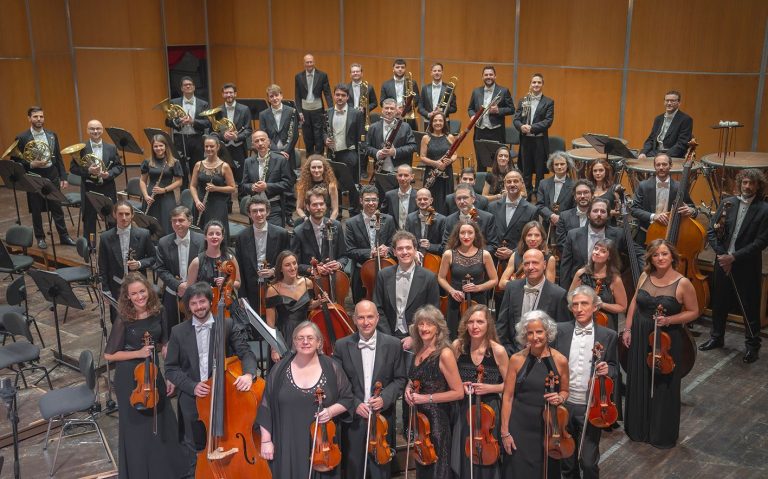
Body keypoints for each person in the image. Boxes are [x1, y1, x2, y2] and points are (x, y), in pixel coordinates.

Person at [163, 281, 257, 476]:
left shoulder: (227, 324)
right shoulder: (178, 332)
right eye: (194, 304)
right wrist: (192, 386)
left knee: (226, 444)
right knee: (196, 450)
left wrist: (249, 374)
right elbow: (171, 368)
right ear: (188, 306)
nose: (199, 307)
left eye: (202, 302)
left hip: (224, 398)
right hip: (193, 401)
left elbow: (246, 354)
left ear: (210, 301)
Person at [104, 272, 185, 478]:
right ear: (127, 297)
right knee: (137, 428)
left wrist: (169, 374)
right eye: (134, 294)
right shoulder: (124, 319)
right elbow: (109, 354)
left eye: (142, 291)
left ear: (148, 290)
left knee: (162, 419)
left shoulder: (160, 311)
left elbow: (165, 343)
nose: (140, 297)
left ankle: (166, 470)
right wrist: (138, 353)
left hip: (153, 371)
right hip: (129, 377)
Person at [623, 240, 698, 448]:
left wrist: (669, 320)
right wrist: (628, 329)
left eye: (664, 254)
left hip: (666, 337)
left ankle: (660, 433)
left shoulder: (683, 283)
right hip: (640, 332)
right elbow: (634, 304)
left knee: (664, 383)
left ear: (672, 256)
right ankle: (638, 428)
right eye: (656, 255)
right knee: (639, 377)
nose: (660, 258)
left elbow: (694, 311)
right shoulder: (645, 275)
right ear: (651, 258)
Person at [257, 321, 354, 478]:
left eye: (310, 337)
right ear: (294, 342)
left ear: (319, 342)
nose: (305, 342)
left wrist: (330, 411)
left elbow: (347, 398)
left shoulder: (331, 367)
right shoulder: (280, 369)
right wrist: (266, 441)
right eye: (300, 338)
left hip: (321, 446)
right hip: (287, 442)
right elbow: (265, 405)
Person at [333, 300, 407, 479]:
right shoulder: (342, 345)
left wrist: (385, 398)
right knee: (354, 470)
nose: (366, 322)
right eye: (361, 317)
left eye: (370, 317)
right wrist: (355, 404)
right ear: (354, 319)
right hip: (354, 419)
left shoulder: (393, 344)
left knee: (380, 471)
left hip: (382, 420)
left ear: (377, 318)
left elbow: (400, 379)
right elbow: (338, 382)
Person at [701, 169, 768, 363]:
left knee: (749, 306)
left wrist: (734, 258)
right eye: (745, 182)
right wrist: (722, 256)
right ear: (740, 183)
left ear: (758, 185)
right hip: (722, 261)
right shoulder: (727, 203)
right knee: (719, 301)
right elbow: (711, 231)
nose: (747, 186)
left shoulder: (764, 209)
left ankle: (752, 346)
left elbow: (761, 242)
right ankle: (716, 337)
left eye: (752, 183)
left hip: (746, 264)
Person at [555, 286, 618, 479]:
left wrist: (609, 370)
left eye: (584, 304)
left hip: (592, 406)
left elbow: (615, 368)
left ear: (594, 307)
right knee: (567, 460)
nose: (580, 308)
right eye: (575, 305)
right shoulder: (560, 331)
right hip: (564, 404)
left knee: (589, 462)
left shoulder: (608, 335)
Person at [500, 310, 569, 478]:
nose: (534, 337)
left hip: (548, 428)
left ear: (547, 332)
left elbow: (565, 391)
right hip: (519, 426)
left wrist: (560, 397)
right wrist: (505, 432)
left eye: (539, 331)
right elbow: (508, 397)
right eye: (529, 333)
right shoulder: (516, 359)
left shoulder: (560, 360)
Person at [404, 305, 464, 479]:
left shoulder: (444, 354)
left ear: (438, 328)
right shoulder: (418, 349)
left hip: (437, 422)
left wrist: (425, 398)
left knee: (438, 468)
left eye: (429, 324)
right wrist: (408, 388)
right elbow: (415, 379)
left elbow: (458, 392)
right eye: (420, 324)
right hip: (420, 420)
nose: (424, 328)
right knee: (423, 464)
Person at [451, 305, 509, 479]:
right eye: (470, 322)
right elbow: (449, 379)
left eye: (480, 322)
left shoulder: (498, 351)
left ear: (488, 325)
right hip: (464, 409)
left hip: (490, 411)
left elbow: (509, 385)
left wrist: (490, 388)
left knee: (487, 453)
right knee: (464, 452)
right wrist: (460, 386)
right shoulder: (458, 346)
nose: (475, 326)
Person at [12, 106, 75, 249]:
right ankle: (40, 238)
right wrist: (31, 163)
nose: (39, 119)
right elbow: (15, 160)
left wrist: (63, 176)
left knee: (57, 207)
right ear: (29, 118)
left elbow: (58, 157)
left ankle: (64, 236)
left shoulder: (52, 135)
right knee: (36, 209)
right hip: (33, 175)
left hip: (51, 174)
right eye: (35, 117)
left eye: (41, 116)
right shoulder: (22, 137)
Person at [373, 231, 440, 346]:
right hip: (388, 335)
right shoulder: (383, 275)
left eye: (408, 248)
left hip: (418, 338)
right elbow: (378, 308)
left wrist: (415, 337)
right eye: (400, 249)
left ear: (415, 250)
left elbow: (432, 312)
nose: (404, 252)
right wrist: (388, 337)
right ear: (394, 252)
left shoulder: (429, 277)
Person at [497, 249, 570, 353]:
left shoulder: (559, 294)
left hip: (545, 357)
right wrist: (508, 352)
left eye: (535, 262)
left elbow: (562, 333)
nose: (530, 267)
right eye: (526, 264)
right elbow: (502, 325)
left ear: (544, 265)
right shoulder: (511, 288)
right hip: (514, 354)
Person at [98, 200, 156, 323]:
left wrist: (139, 264)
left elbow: (153, 258)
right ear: (114, 215)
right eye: (120, 214)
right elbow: (102, 266)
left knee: (139, 318)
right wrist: (105, 289)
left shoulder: (144, 234)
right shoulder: (105, 237)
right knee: (118, 321)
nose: (124, 218)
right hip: (116, 286)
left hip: (138, 286)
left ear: (132, 215)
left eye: (127, 214)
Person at [438, 221, 498, 337]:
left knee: (478, 333)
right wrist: (452, 291)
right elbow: (441, 277)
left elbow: (494, 280)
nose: (466, 236)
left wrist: (478, 287)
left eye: (470, 233)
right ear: (457, 235)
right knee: (454, 335)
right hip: (456, 301)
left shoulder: (484, 254)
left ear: (475, 234)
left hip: (478, 300)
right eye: (462, 233)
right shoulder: (449, 254)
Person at [265, 250, 326, 363]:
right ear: (280, 269)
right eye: (287, 265)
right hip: (285, 335)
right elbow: (270, 324)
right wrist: (274, 347)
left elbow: (308, 306)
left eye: (294, 263)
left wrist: (318, 302)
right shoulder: (272, 290)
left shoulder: (307, 282)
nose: (292, 267)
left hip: (305, 331)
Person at [71, 119, 123, 246]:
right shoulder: (81, 148)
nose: (95, 131)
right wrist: (88, 170)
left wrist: (109, 174)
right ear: (87, 131)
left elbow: (119, 167)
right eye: (92, 129)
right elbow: (73, 168)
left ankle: (112, 246)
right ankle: (90, 248)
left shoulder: (111, 148)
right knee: (89, 220)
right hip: (89, 188)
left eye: (98, 128)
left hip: (107, 187)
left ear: (102, 129)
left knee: (111, 219)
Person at [560, 197, 631, 290]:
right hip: (580, 286)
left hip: (608, 288)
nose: (599, 214)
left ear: (608, 215)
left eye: (603, 211)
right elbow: (565, 266)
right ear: (588, 214)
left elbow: (633, 255)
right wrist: (564, 293)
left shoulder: (619, 234)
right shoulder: (572, 235)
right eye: (595, 211)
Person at [235, 195, 291, 312]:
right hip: (252, 289)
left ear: (268, 212)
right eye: (254, 211)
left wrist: (274, 271)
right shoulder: (241, 237)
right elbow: (239, 267)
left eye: (261, 210)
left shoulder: (282, 234)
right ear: (249, 214)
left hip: (276, 286)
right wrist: (242, 295)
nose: (259, 214)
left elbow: (288, 261)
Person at [154, 206, 205, 328]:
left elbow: (205, 266)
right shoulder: (163, 242)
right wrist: (178, 286)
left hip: (197, 293)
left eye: (181, 220)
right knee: (172, 328)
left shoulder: (202, 241)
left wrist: (191, 286)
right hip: (172, 293)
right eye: (174, 220)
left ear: (190, 221)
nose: (177, 224)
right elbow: (160, 268)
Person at [345, 185, 396, 302]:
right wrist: (370, 252)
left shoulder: (388, 220)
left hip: (385, 270)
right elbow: (349, 250)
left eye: (374, 200)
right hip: (361, 272)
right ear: (361, 201)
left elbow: (394, 245)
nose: (371, 203)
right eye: (367, 200)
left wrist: (387, 250)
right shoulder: (351, 223)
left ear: (378, 201)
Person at [630, 153, 696, 244]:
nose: (661, 167)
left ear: (670, 166)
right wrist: (654, 216)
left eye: (664, 164)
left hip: (670, 235)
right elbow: (634, 209)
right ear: (654, 166)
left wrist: (691, 210)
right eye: (658, 164)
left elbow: (693, 208)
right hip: (646, 233)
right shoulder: (643, 186)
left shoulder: (679, 187)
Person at [569, 238, 628, 332]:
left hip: (606, 325)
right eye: (595, 248)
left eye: (602, 251)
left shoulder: (615, 279)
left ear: (609, 257)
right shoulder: (581, 274)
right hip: (581, 323)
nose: (596, 252)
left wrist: (602, 305)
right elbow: (570, 298)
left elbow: (622, 307)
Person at [291, 186, 349, 277]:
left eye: (321, 204)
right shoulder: (299, 232)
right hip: (310, 282)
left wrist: (339, 264)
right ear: (307, 207)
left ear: (325, 206)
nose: (319, 208)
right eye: (314, 205)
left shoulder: (336, 226)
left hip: (333, 278)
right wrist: (311, 269)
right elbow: (294, 263)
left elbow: (344, 256)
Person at [365, 98, 418, 196]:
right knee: (381, 199)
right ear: (382, 110)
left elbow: (413, 146)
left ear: (397, 110)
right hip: (381, 172)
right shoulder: (373, 127)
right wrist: (377, 153)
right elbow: (366, 147)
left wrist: (395, 152)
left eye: (392, 108)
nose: (389, 111)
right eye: (386, 108)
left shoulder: (405, 127)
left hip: (400, 173)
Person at [489, 169, 539, 273]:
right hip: (493, 259)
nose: (512, 184)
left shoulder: (532, 210)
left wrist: (513, 252)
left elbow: (532, 238)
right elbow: (487, 233)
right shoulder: (492, 207)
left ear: (522, 183)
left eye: (516, 181)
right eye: (509, 181)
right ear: (504, 184)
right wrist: (495, 250)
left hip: (519, 259)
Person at [239, 130, 293, 226]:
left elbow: (288, 183)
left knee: (275, 237)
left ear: (268, 142)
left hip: (274, 206)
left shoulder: (280, 160)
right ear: (253, 144)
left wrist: (267, 186)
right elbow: (243, 185)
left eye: (262, 140)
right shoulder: (248, 161)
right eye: (256, 141)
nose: (260, 143)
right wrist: (252, 186)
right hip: (255, 207)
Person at [324, 84, 365, 206]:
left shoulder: (356, 113)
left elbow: (361, 136)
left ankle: (353, 211)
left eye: (343, 95)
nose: (340, 98)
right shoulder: (328, 112)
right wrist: (325, 139)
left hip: (349, 154)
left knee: (352, 185)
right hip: (333, 154)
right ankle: (338, 211)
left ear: (347, 97)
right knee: (334, 185)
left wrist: (357, 157)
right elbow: (323, 131)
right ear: (334, 96)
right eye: (337, 95)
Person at [513, 73, 554, 194]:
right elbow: (516, 119)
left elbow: (548, 121)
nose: (536, 84)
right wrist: (521, 127)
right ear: (530, 84)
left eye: (539, 82)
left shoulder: (549, 102)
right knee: (526, 170)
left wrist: (531, 128)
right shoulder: (523, 100)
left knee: (540, 171)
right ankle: (527, 195)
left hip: (539, 141)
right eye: (534, 82)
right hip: (525, 141)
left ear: (542, 84)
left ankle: (539, 196)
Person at [165, 76, 209, 188]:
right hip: (180, 139)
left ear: (194, 87)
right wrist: (179, 121)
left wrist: (193, 121)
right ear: (182, 88)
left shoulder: (203, 103)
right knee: (182, 169)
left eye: (190, 84)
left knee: (197, 167)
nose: (188, 86)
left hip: (197, 139)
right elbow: (168, 121)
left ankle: (198, 194)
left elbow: (208, 123)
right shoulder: (174, 102)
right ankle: (184, 194)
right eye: (185, 85)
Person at [467, 65, 514, 169]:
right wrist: (472, 116)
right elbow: (470, 108)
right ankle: (481, 184)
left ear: (495, 76)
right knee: (480, 162)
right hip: (480, 131)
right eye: (486, 75)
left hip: (496, 131)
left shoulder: (504, 91)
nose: (489, 77)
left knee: (497, 163)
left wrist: (499, 110)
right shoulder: (476, 91)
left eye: (491, 74)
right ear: (482, 77)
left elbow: (512, 109)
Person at [190, 135, 236, 237]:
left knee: (216, 233)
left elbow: (232, 188)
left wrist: (216, 188)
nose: (209, 149)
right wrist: (197, 201)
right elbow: (192, 186)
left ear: (218, 147)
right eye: (206, 146)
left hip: (217, 205)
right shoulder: (198, 164)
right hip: (200, 204)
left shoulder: (225, 166)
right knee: (200, 234)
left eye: (211, 146)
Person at [139, 134, 183, 236]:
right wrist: (145, 196)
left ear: (165, 146)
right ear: (152, 147)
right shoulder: (147, 162)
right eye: (156, 146)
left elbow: (179, 182)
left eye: (161, 146)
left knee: (166, 223)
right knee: (150, 225)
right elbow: (142, 181)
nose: (158, 148)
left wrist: (164, 190)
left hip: (167, 196)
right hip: (151, 197)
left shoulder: (174, 162)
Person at [441, 183, 500, 255]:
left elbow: (493, 246)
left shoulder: (487, 218)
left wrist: (472, 254)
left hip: (480, 262)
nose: (462, 201)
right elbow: (445, 246)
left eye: (465, 198)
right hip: (457, 261)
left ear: (473, 199)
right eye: (458, 198)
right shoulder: (449, 220)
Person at [498, 220, 557, 290]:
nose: (533, 239)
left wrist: (515, 283)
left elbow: (549, 289)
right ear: (524, 238)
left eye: (537, 235)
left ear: (542, 238)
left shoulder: (549, 259)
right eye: (529, 235)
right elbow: (502, 284)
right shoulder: (515, 255)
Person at [214, 82, 253, 183]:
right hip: (224, 147)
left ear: (235, 94)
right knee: (224, 176)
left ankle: (242, 198)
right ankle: (226, 198)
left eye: (231, 92)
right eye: (226, 93)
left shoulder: (245, 109)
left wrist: (237, 137)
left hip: (239, 147)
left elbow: (248, 130)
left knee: (241, 176)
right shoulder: (217, 110)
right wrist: (223, 135)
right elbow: (215, 130)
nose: (228, 95)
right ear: (223, 94)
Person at [186, 220, 241, 292]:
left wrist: (227, 282)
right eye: (211, 234)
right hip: (205, 301)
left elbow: (238, 283)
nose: (214, 236)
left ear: (222, 237)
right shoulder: (197, 262)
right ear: (205, 237)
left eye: (218, 234)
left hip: (228, 301)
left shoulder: (231, 259)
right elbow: (189, 289)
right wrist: (205, 289)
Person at [638, 90, 693, 160]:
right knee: (635, 158)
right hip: (655, 153)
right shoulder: (658, 118)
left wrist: (664, 156)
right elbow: (651, 139)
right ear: (664, 102)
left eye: (672, 101)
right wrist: (643, 152)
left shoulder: (686, 119)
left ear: (679, 103)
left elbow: (682, 144)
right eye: (667, 100)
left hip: (673, 155)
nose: (669, 103)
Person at [419, 112, 457, 214]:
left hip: (446, 172)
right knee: (432, 198)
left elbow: (455, 154)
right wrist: (435, 163)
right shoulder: (426, 138)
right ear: (431, 123)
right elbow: (422, 157)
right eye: (435, 120)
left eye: (440, 120)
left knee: (446, 199)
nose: (438, 123)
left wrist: (451, 160)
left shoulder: (450, 137)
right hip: (432, 173)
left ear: (444, 123)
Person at [295, 54, 333, 155]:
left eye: (311, 62)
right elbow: (297, 96)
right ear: (304, 64)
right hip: (304, 110)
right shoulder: (298, 76)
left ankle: (319, 158)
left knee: (319, 135)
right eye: (307, 62)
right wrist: (299, 111)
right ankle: (309, 158)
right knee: (307, 136)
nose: (309, 64)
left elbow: (327, 93)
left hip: (318, 109)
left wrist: (331, 109)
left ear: (314, 62)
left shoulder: (322, 75)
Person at [536, 151, 576, 241]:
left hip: (566, 225)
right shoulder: (543, 183)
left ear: (567, 165)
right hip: (547, 224)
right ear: (552, 166)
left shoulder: (574, 185)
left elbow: (574, 208)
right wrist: (551, 216)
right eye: (556, 164)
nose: (559, 167)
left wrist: (561, 218)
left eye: (562, 164)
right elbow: (539, 205)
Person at [259, 84, 300, 169]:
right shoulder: (263, 114)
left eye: (277, 95)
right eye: (271, 96)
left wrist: (286, 151)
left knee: (289, 179)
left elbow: (294, 134)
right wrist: (277, 152)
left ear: (281, 96)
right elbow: (264, 136)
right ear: (268, 99)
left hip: (288, 153)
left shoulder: (291, 111)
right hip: (271, 152)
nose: (274, 98)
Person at [404, 188, 447, 261]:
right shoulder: (410, 218)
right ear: (416, 201)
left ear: (431, 200)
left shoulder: (442, 219)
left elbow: (446, 246)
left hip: (434, 261)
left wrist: (430, 246)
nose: (422, 201)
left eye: (425, 199)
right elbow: (406, 241)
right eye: (419, 199)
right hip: (414, 259)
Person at [296, 154, 340, 221]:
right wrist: (306, 219)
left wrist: (330, 222)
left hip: (326, 220)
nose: (316, 170)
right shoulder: (303, 185)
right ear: (309, 169)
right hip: (308, 220)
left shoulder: (331, 185)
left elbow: (335, 210)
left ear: (324, 168)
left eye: (319, 167)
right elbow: (299, 208)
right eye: (313, 167)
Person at [380, 58, 420, 129]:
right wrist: (394, 109)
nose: (400, 69)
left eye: (402, 67)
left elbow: (416, 100)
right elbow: (382, 101)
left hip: (408, 117)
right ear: (393, 69)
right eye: (397, 67)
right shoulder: (386, 84)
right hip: (391, 117)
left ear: (405, 69)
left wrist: (405, 109)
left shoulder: (412, 83)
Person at [555, 179, 594, 252]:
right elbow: (561, 243)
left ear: (592, 195)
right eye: (579, 193)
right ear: (575, 197)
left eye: (586, 192)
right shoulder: (564, 216)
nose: (582, 196)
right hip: (571, 259)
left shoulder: (599, 215)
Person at [418, 62, 457, 130]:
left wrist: (441, 110)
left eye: (439, 71)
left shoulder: (449, 88)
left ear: (442, 72)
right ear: (431, 73)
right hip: (428, 122)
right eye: (434, 71)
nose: (437, 73)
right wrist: (428, 114)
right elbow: (420, 108)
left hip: (444, 122)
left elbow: (454, 108)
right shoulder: (425, 88)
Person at [585, 158, 619, 225]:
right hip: (589, 224)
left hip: (608, 225)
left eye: (601, 170)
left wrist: (607, 212)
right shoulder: (588, 188)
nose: (597, 173)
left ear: (606, 171)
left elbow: (619, 212)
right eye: (595, 171)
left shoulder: (614, 188)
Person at [384, 164, 417, 230]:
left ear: (412, 177)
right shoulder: (389, 195)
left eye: (406, 175)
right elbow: (383, 215)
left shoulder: (418, 196)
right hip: (394, 235)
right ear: (396, 176)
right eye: (400, 175)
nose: (402, 178)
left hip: (412, 236)